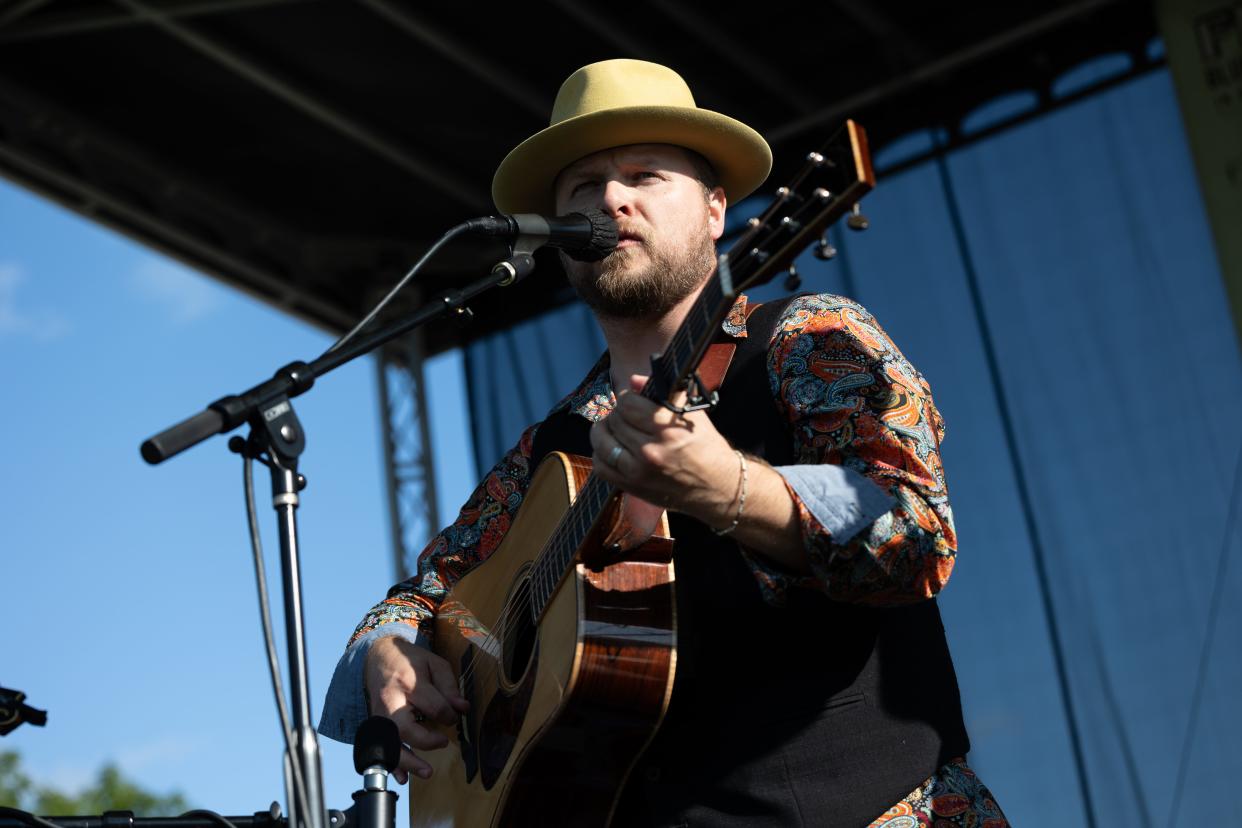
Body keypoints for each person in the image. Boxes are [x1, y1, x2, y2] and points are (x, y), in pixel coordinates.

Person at [320, 59, 1009, 827]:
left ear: (717, 210)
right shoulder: (547, 450)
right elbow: (434, 596)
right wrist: (390, 649)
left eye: (645, 175)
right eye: (582, 188)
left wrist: (731, 490)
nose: (611, 198)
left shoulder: (807, 341)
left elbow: (916, 532)